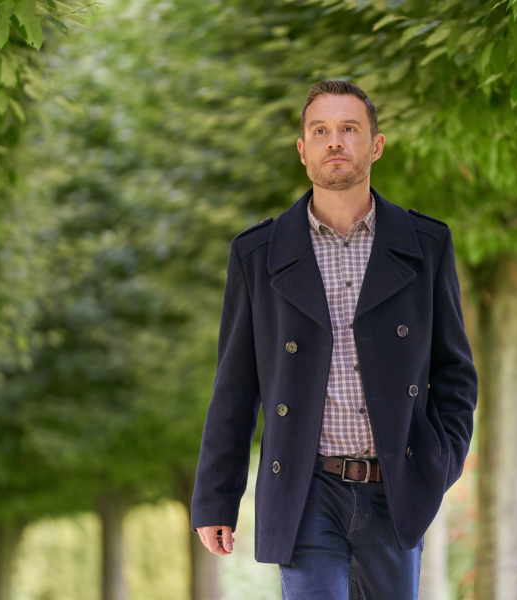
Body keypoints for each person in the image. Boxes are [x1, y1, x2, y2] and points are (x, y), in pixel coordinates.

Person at [191, 80, 478, 599]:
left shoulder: (427, 244)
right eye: (320, 131)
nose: (335, 142)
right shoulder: (257, 254)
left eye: (349, 128)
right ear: (303, 149)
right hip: (305, 490)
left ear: (376, 145)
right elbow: (235, 385)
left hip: (395, 487)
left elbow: (454, 371)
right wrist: (216, 498)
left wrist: (437, 462)